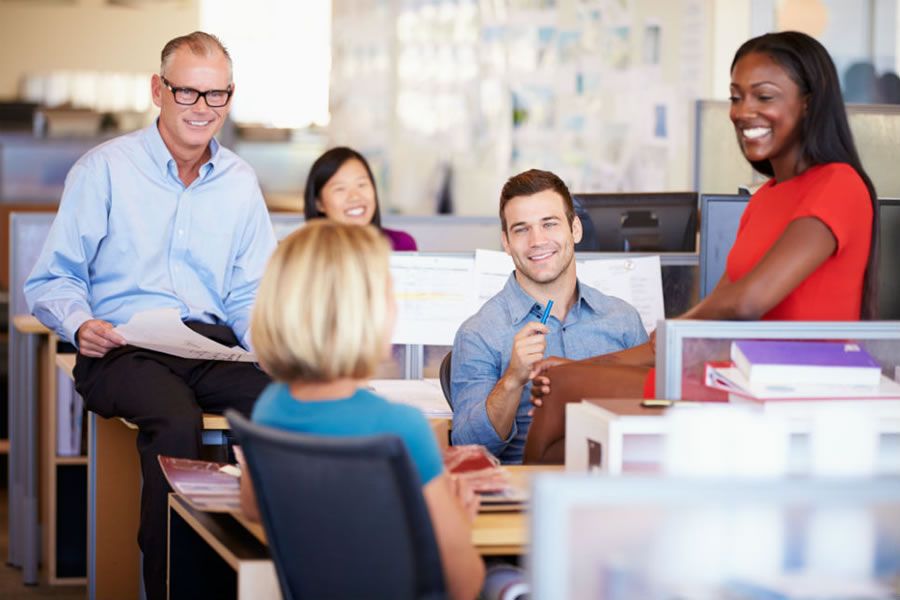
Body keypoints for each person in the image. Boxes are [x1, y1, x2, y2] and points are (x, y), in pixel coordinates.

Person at [525, 30, 879, 463]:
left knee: (563, 392)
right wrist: (586, 365)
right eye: (736, 96)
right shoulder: (765, 198)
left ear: (809, 101)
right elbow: (712, 321)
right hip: (739, 377)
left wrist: (668, 335)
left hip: (791, 391)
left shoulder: (838, 184)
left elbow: (745, 302)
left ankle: (538, 523)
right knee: (559, 391)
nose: (743, 111)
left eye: (763, 96)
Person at [23, 32, 276, 600]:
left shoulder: (239, 182)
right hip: (122, 347)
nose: (203, 109)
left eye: (217, 95)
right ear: (157, 90)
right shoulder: (105, 169)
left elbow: (249, 291)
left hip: (208, 347)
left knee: (284, 404)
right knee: (174, 419)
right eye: (188, 92)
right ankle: (174, 587)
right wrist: (80, 323)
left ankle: (266, 573)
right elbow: (51, 278)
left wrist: (264, 343)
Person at [248, 221, 485, 600]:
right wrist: (457, 519)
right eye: (389, 296)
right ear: (365, 315)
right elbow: (465, 583)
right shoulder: (400, 428)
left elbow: (254, 506)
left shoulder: (270, 407)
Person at [450, 169, 648, 464]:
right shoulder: (479, 333)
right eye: (521, 229)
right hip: (526, 496)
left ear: (575, 230)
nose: (537, 240)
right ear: (506, 242)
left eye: (549, 224)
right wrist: (512, 381)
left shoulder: (622, 320)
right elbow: (469, 449)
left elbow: (655, 414)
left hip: (614, 486)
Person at [304, 146, 418, 250]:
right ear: (319, 204)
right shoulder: (304, 252)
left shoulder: (400, 244)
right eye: (340, 189)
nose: (354, 196)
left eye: (361, 184)